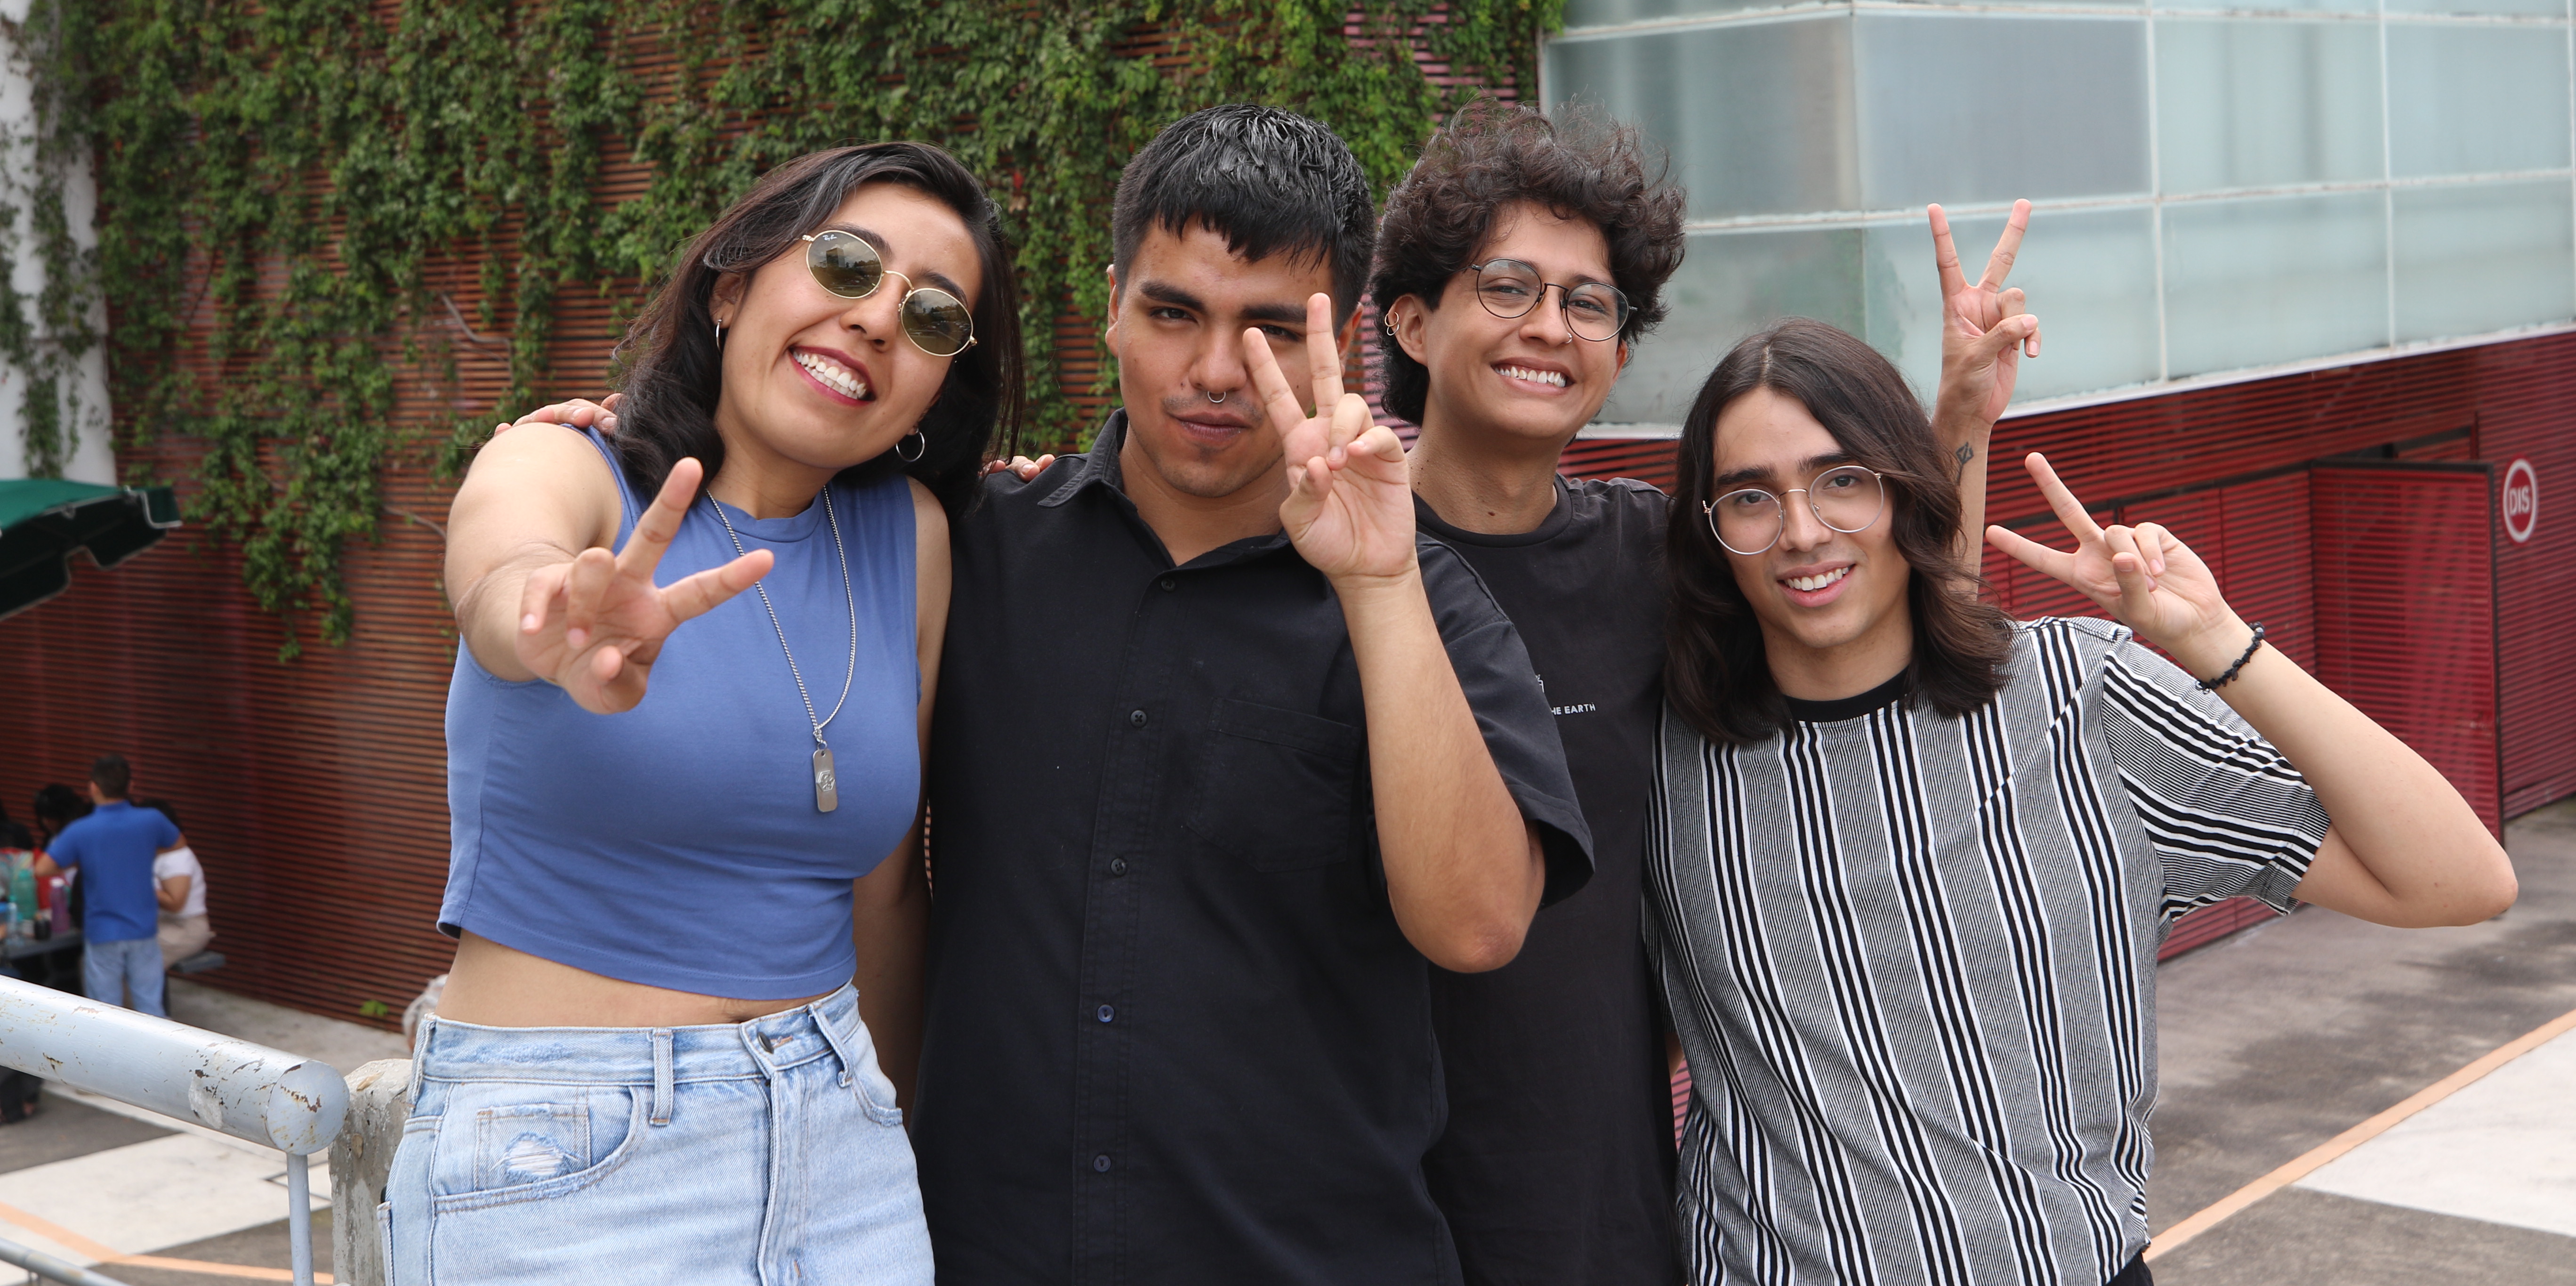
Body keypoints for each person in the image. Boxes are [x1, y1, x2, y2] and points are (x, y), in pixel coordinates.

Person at [1647, 318, 2518, 1286]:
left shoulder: (2081, 703)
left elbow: (2459, 880)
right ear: (1710, 532)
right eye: (1751, 497)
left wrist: (2215, 639)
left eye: (1842, 479)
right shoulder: (1663, 759)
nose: (1803, 530)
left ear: (1905, 489)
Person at [913, 104, 1590, 1285]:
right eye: (1173, 312)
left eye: (1272, 329)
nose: (1217, 371)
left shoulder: (1423, 600)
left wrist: (1377, 584)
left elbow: (1478, 927)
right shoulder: (970, 553)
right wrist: (624, 447)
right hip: (986, 1252)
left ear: (1345, 342)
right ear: (1113, 303)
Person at [1365, 98, 2038, 1286]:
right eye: (1508, 286)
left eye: (1590, 304)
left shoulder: (1651, 560)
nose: (1550, 326)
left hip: (1593, 1218)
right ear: (1413, 323)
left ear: (1620, 354)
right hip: (1341, 1207)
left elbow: (1874, 637)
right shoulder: (1319, 561)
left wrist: (1958, 426)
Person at [386, 141, 1022, 1286]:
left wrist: (898, 1132)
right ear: (731, 289)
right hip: (567, 1154)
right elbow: (501, 562)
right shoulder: (570, 466)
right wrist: (545, 615)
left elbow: (884, 894)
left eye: (933, 316)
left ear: (940, 384)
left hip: (844, 1149)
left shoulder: (915, 540)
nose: (879, 318)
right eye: (845, 263)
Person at [33, 755, 182, 1017]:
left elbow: (42, 868)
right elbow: (178, 843)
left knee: (105, 1012)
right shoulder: (152, 820)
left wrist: (82, 859)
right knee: (151, 1007)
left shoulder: (81, 830)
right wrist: (141, 852)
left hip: (103, 931)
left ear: (93, 787)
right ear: (131, 786)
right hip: (143, 929)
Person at [136, 799, 214, 970]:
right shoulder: (153, 853)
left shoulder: (177, 858)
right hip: (158, 923)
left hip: (184, 928)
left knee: (133, 961)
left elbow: (175, 903)